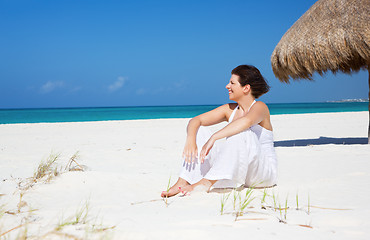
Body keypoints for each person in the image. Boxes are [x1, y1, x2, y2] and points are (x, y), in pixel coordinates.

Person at [161, 65, 277, 197]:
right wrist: (191, 139)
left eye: (232, 83)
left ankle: (205, 183)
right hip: (241, 170)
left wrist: (214, 137)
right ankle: (183, 181)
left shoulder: (260, 107)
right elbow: (195, 120)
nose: (227, 86)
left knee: (242, 132)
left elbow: (246, 122)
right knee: (200, 130)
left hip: (263, 173)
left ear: (246, 88)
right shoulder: (230, 109)